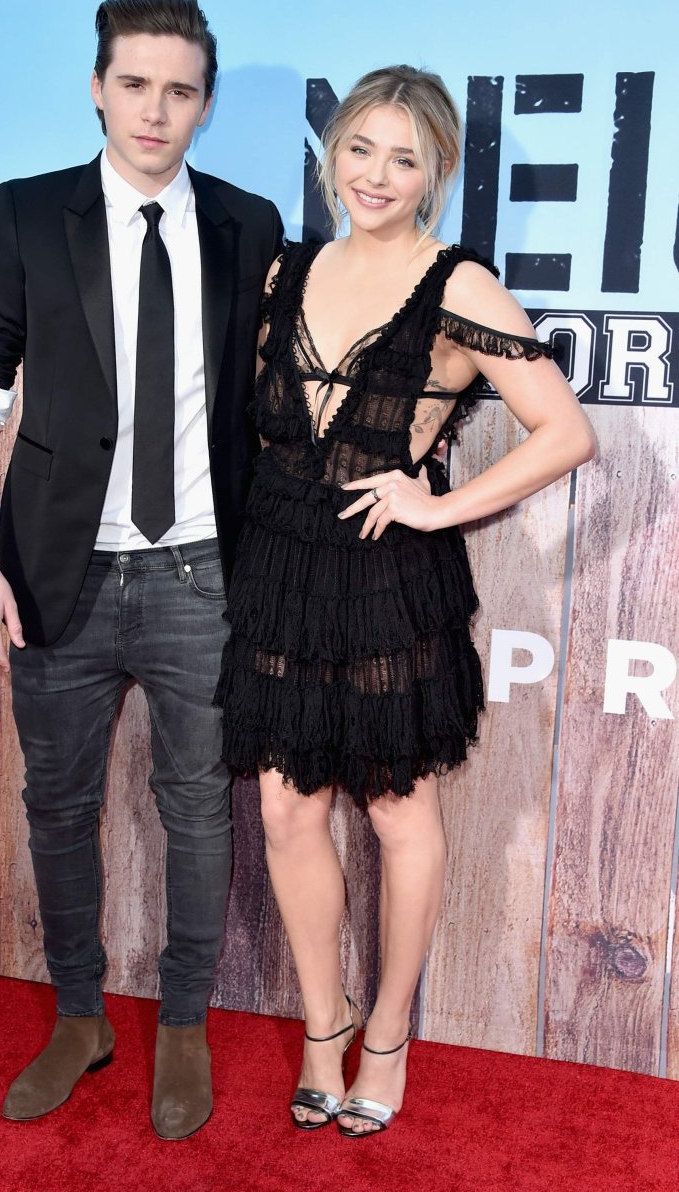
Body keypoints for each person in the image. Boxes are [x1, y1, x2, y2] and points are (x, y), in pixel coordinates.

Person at [215, 64, 595, 1138]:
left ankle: (386, 1031)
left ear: (436, 173)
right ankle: (321, 1023)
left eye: (404, 158)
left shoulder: (456, 284)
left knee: (394, 807)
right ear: (330, 152)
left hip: (385, 571)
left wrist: (437, 506)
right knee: (286, 806)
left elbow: (565, 432)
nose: (375, 175)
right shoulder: (286, 271)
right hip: (279, 565)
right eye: (358, 149)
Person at [0, 0, 283, 1138]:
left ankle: (181, 1021)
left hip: (200, 571)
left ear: (205, 104)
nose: (154, 109)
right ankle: (80, 1014)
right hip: (55, 570)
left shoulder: (248, 223)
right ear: (97, 87)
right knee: (58, 801)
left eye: (179, 89)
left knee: (198, 804)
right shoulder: (27, 212)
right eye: (133, 83)